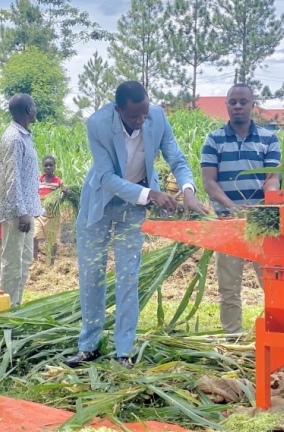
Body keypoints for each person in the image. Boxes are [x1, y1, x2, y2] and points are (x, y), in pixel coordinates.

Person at [65, 81, 208, 368]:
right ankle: (88, 346)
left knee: (127, 276)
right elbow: (106, 176)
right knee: (92, 274)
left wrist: (188, 190)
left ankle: (123, 351)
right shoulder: (98, 124)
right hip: (99, 203)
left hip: (134, 207)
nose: (142, 120)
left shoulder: (157, 117)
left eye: (145, 113)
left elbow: (177, 158)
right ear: (118, 110)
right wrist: (151, 195)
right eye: (134, 116)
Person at [201, 83, 281, 335]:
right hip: (227, 219)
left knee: (273, 283)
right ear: (226, 105)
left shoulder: (269, 139)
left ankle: (277, 333)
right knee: (228, 285)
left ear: (252, 105)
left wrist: (266, 202)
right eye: (233, 102)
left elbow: (273, 178)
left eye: (243, 102)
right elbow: (209, 182)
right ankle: (233, 335)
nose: (238, 106)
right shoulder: (213, 140)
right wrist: (231, 206)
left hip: (262, 219)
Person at [0, 94, 45, 307]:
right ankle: (6, 308)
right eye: (34, 106)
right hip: (17, 213)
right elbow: (12, 178)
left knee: (24, 261)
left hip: (26, 211)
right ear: (28, 110)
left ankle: (16, 305)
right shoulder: (14, 138)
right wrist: (21, 212)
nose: (35, 110)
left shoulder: (25, 136)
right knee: (13, 262)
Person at [35, 155, 68, 264]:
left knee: (52, 240)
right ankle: (34, 261)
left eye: (51, 165)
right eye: (46, 165)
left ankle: (51, 263)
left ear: (54, 166)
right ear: (42, 167)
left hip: (52, 216)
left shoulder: (58, 182)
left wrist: (66, 193)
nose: (48, 167)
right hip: (39, 215)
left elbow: (62, 197)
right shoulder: (38, 180)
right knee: (34, 237)